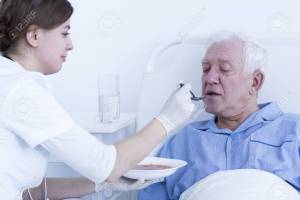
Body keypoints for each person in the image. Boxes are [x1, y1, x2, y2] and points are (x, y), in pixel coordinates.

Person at [0, 0, 195, 199]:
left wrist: (103, 185)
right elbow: (105, 165)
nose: (70, 45)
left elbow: (32, 192)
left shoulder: (8, 78)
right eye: (64, 33)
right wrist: (167, 120)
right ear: (34, 36)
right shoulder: (22, 91)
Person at [138, 32, 300, 200]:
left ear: (255, 82)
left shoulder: (294, 131)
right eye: (205, 69)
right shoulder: (184, 141)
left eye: (225, 69)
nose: (210, 78)